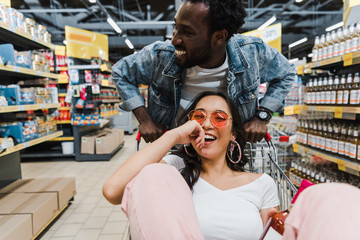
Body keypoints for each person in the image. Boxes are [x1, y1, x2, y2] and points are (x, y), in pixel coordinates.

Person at [111, 0, 296, 143]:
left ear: (219, 37)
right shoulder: (161, 56)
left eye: (187, 33)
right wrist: (144, 120)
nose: (175, 40)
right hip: (176, 150)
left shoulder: (252, 53)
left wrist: (262, 116)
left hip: (229, 152)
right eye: (176, 28)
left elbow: (286, 73)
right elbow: (120, 72)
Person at [103, 91, 279, 239]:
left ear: (233, 133)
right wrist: (175, 135)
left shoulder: (263, 184)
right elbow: (112, 191)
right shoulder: (175, 170)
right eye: (198, 117)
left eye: (219, 117)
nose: (207, 124)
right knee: (152, 172)